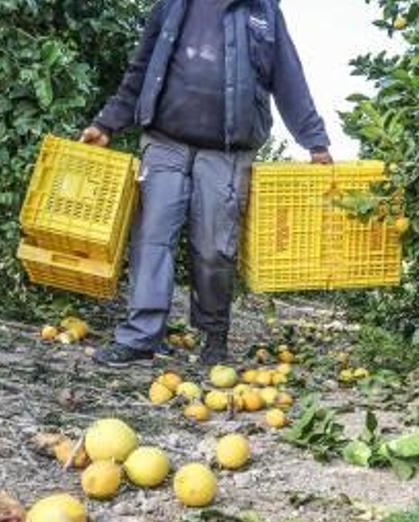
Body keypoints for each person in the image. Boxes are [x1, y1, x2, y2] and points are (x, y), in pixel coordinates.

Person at [83, 0, 332, 367]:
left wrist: (315, 140)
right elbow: (140, 69)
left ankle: (214, 333)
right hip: (165, 140)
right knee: (152, 237)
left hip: (227, 150)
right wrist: (107, 123)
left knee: (216, 247)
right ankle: (141, 336)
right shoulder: (171, 5)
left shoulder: (263, 12)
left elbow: (288, 78)